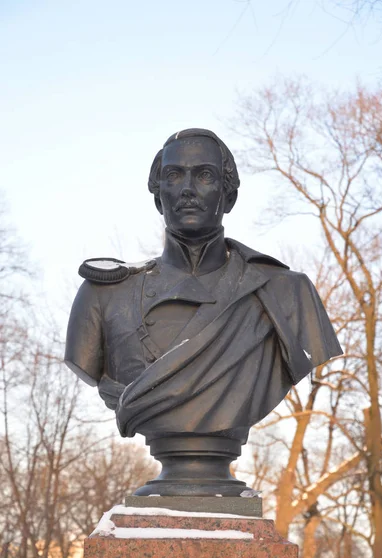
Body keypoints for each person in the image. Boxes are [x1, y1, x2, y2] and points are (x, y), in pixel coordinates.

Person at [65, 128, 342, 495]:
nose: (188, 189)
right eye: (174, 175)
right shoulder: (103, 295)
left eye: (205, 175)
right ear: (159, 196)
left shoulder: (286, 294)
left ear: (228, 195)